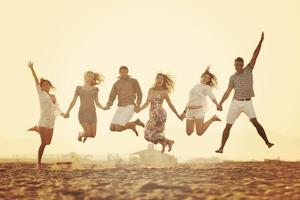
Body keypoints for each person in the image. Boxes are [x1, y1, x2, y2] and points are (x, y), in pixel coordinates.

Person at [215, 32, 274, 153]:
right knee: (228, 125)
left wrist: (260, 42)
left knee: (255, 122)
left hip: (247, 102)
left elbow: (255, 55)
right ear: (234, 65)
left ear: (243, 65)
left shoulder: (248, 69)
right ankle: (221, 148)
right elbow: (228, 91)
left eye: (240, 65)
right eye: (236, 65)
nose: (238, 67)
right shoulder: (232, 77)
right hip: (235, 103)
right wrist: (220, 103)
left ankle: (267, 142)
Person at [26, 61, 65, 170]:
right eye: (43, 85)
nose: (45, 86)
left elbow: (56, 107)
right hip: (43, 120)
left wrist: (63, 114)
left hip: (52, 121)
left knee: (48, 142)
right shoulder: (40, 93)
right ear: (41, 87)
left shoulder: (53, 96)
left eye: (47, 84)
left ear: (50, 86)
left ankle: (36, 129)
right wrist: (32, 69)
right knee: (43, 143)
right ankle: (39, 163)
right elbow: (35, 79)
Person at [138, 73, 182, 153]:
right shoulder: (150, 90)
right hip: (152, 114)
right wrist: (140, 109)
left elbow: (170, 105)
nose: (160, 80)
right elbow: (147, 103)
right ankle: (165, 143)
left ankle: (168, 141)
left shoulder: (164, 92)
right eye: (158, 78)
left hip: (160, 114)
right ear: (156, 79)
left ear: (163, 81)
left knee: (151, 134)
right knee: (147, 136)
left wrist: (177, 115)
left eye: (161, 79)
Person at [64, 71, 107, 143]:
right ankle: (81, 134)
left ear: (93, 79)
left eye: (92, 77)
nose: (90, 77)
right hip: (82, 113)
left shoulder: (95, 90)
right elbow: (73, 101)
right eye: (89, 75)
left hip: (92, 114)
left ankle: (83, 134)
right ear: (85, 76)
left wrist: (103, 108)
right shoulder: (79, 88)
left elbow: (97, 102)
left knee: (93, 135)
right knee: (87, 132)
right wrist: (68, 112)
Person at [180, 67, 221, 136]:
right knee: (189, 132)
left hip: (199, 111)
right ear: (201, 77)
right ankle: (196, 121)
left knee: (199, 132)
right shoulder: (195, 86)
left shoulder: (207, 87)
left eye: (208, 78)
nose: (206, 79)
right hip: (189, 111)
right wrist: (184, 112)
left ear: (209, 81)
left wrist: (217, 104)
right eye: (205, 77)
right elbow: (189, 100)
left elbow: (212, 97)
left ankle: (213, 118)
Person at [104, 66, 144, 136]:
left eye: (126, 72)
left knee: (118, 127)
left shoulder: (133, 81)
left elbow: (139, 94)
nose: (124, 74)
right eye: (122, 72)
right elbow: (112, 96)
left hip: (130, 106)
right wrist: (108, 105)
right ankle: (132, 125)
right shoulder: (116, 83)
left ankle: (135, 123)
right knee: (112, 128)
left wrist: (138, 105)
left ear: (128, 72)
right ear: (119, 73)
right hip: (120, 107)